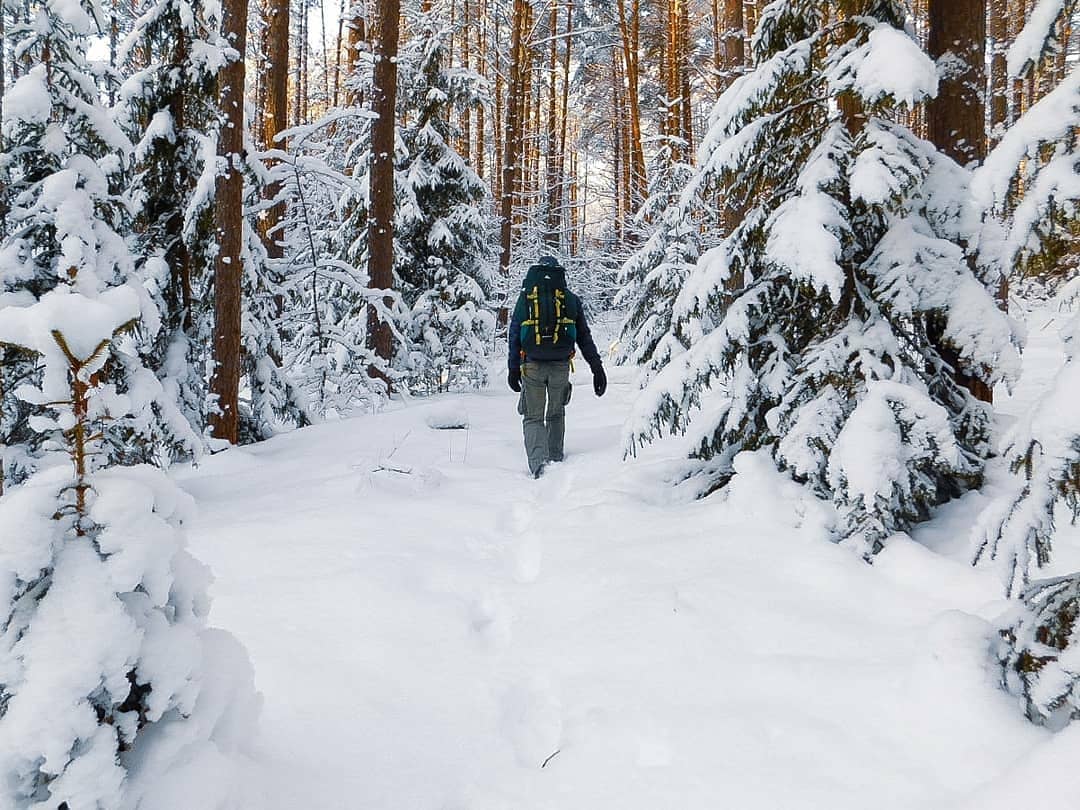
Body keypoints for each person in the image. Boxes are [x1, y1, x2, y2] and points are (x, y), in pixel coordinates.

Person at [507, 255, 606, 478]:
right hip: (561, 365)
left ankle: (539, 466)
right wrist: (596, 367)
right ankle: (555, 460)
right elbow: (584, 337)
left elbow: (514, 334)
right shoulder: (569, 299)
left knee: (533, 417)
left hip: (531, 366)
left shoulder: (526, 298)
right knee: (555, 413)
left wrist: (513, 368)